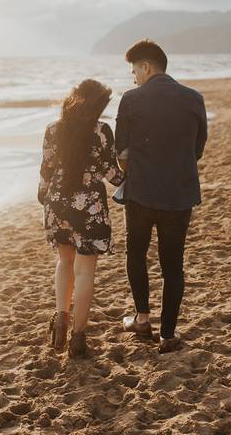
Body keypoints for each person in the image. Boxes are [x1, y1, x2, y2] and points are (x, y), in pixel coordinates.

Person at [115, 40, 207, 353]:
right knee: (173, 265)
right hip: (179, 194)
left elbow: (121, 151)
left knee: (136, 254)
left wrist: (139, 167)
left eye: (134, 71)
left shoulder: (131, 99)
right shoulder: (194, 98)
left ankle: (142, 319)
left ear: (146, 67)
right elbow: (198, 149)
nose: (133, 78)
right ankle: (168, 334)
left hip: (141, 192)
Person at [38, 79, 125, 358]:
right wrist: (131, 171)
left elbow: (46, 170)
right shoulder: (102, 132)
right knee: (85, 271)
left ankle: (60, 320)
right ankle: (78, 337)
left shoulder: (53, 130)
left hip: (57, 202)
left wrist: (44, 197)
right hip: (88, 206)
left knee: (64, 261)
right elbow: (113, 175)